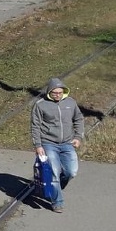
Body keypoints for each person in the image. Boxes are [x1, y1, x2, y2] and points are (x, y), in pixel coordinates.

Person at [30, 77, 84, 212]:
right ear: (49, 92)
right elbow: (35, 126)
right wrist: (38, 145)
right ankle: (57, 202)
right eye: (54, 93)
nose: (57, 95)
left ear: (64, 92)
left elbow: (78, 119)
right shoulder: (40, 105)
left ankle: (56, 185)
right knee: (53, 172)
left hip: (67, 142)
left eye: (60, 93)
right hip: (48, 143)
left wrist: (78, 136)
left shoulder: (70, 103)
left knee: (71, 172)